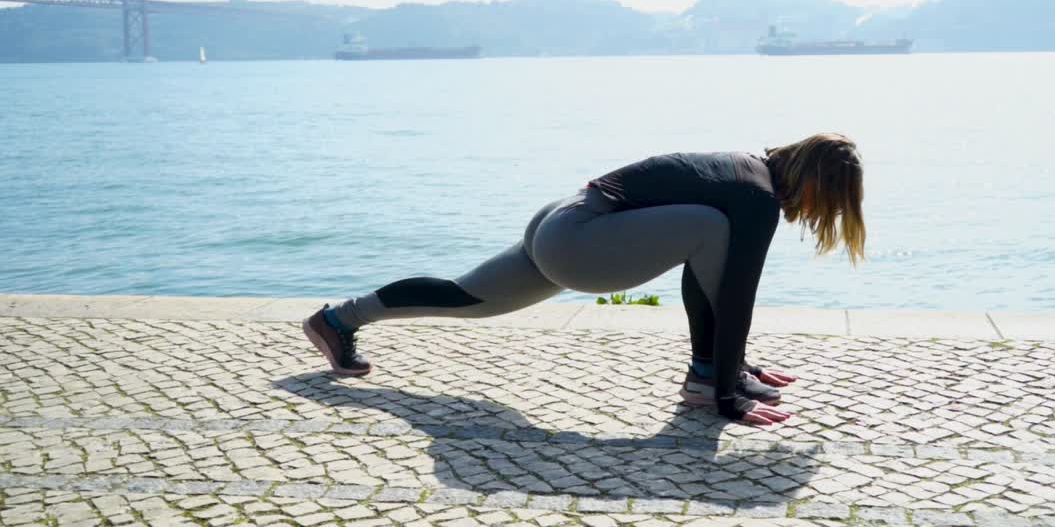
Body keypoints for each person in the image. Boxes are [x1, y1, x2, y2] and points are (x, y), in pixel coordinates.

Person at [303, 133, 866, 425]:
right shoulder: (754, 199)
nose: (823, 214)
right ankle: (704, 376)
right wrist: (725, 394)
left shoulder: (743, 166)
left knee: (465, 297)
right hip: (580, 241)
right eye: (833, 203)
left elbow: (719, 285)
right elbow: (735, 292)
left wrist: (738, 362)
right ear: (816, 183)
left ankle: (335, 320)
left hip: (563, 220)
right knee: (708, 229)